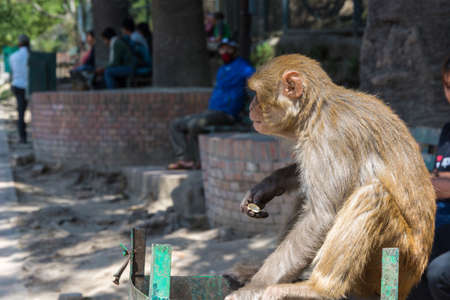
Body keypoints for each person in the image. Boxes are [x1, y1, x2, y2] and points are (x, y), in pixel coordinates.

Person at [168, 39, 255, 170]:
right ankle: (183, 159)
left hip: (227, 114)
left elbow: (256, 79)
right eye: (222, 49)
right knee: (175, 125)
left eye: (228, 49)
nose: (225, 52)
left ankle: (197, 161)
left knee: (195, 125)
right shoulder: (221, 69)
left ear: (235, 50)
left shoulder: (243, 67)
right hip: (211, 112)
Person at [407, 56, 450, 300]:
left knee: (436, 271)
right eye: (447, 86)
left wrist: (430, 183)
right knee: (391, 257)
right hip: (435, 224)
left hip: (444, 231)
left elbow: (442, 184)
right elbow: (440, 179)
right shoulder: (447, 131)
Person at [9, 34, 30, 143]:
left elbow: (12, 73)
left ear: (19, 44)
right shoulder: (31, 56)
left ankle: (22, 137)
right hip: (28, 87)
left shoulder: (13, 56)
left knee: (21, 112)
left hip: (17, 86)